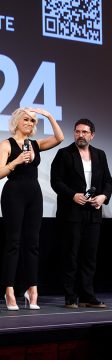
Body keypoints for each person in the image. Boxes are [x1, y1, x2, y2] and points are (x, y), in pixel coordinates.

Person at [0, 108, 63, 311]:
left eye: (33, 121)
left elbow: (59, 138)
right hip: (14, 193)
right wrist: (16, 161)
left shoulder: (36, 144)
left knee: (32, 244)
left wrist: (49, 116)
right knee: (13, 243)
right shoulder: (6, 144)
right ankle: (9, 291)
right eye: (26, 119)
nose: (30, 123)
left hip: (34, 194)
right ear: (16, 121)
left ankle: (32, 289)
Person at [50, 118, 111, 309]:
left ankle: (87, 295)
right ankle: (70, 296)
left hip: (93, 212)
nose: (80, 135)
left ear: (92, 135)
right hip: (72, 212)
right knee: (71, 254)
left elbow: (108, 181)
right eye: (77, 131)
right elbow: (56, 181)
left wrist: (103, 197)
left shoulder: (100, 155)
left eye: (84, 132)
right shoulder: (64, 154)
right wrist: (73, 195)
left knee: (89, 256)